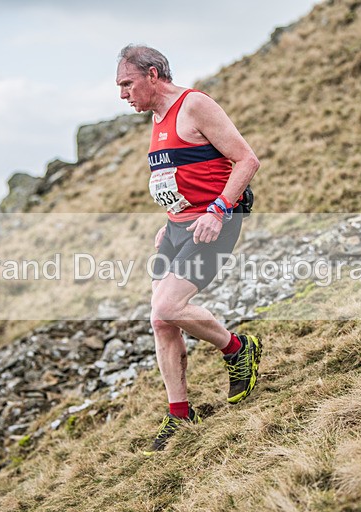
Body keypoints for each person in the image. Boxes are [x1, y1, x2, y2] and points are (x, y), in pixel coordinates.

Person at [116, 44, 262, 455]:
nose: (123, 94)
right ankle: (180, 414)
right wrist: (169, 221)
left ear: (153, 74)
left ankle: (238, 349)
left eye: (127, 83)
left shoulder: (194, 105)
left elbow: (247, 160)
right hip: (177, 228)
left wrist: (218, 210)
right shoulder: (157, 117)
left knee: (168, 306)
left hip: (213, 225)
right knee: (160, 321)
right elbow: (179, 176)